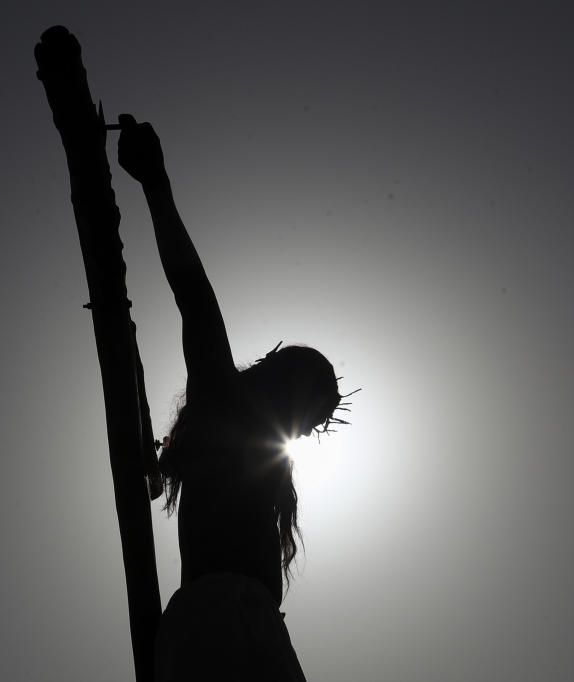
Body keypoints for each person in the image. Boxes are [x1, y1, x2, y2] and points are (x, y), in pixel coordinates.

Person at [117, 115, 346, 682]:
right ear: (279, 379)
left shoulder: (270, 455)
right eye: (310, 402)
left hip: (249, 622)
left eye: (317, 417)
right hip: (220, 619)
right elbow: (194, 296)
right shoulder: (225, 403)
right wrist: (155, 185)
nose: (306, 422)